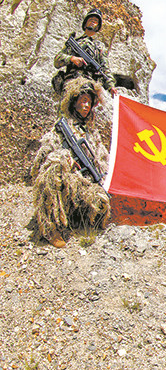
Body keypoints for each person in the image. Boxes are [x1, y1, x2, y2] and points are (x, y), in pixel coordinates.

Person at [30, 78, 111, 247]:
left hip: (85, 184)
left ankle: (79, 221)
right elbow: (45, 154)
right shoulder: (63, 127)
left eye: (89, 102)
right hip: (67, 179)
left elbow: (102, 159)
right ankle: (50, 227)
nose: (86, 105)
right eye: (83, 100)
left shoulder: (92, 132)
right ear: (74, 102)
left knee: (101, 202)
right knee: (55, 167)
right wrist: (67, 159)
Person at [52, 8, 116, 96]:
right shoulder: (75, 42)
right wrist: (72, 59)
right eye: (90, 19)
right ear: (85, 23)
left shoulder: (99, 47)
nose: (93, 22)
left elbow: (105, 69)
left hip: (89, 85)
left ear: (98, 27)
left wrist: (111, 86)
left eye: (95, 21)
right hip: (70, 82)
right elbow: (57, 60)